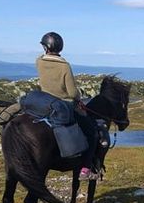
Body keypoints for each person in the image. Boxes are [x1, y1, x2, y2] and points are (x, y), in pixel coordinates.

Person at [37, 32, 98, 180]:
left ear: (46, 47)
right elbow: (71, 92)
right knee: (92, 132)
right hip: (63, 105)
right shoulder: (64, 66)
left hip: (44, 102)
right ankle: (85, 169)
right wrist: (78, 97)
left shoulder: (39, 61)